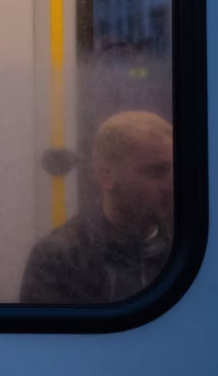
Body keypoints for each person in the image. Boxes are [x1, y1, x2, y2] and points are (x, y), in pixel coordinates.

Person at [20, 111, 174, 303]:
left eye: (174, 170)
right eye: (155, 172)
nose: (170, 185)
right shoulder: (59, 258)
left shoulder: (187, 242)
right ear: (106, 175)